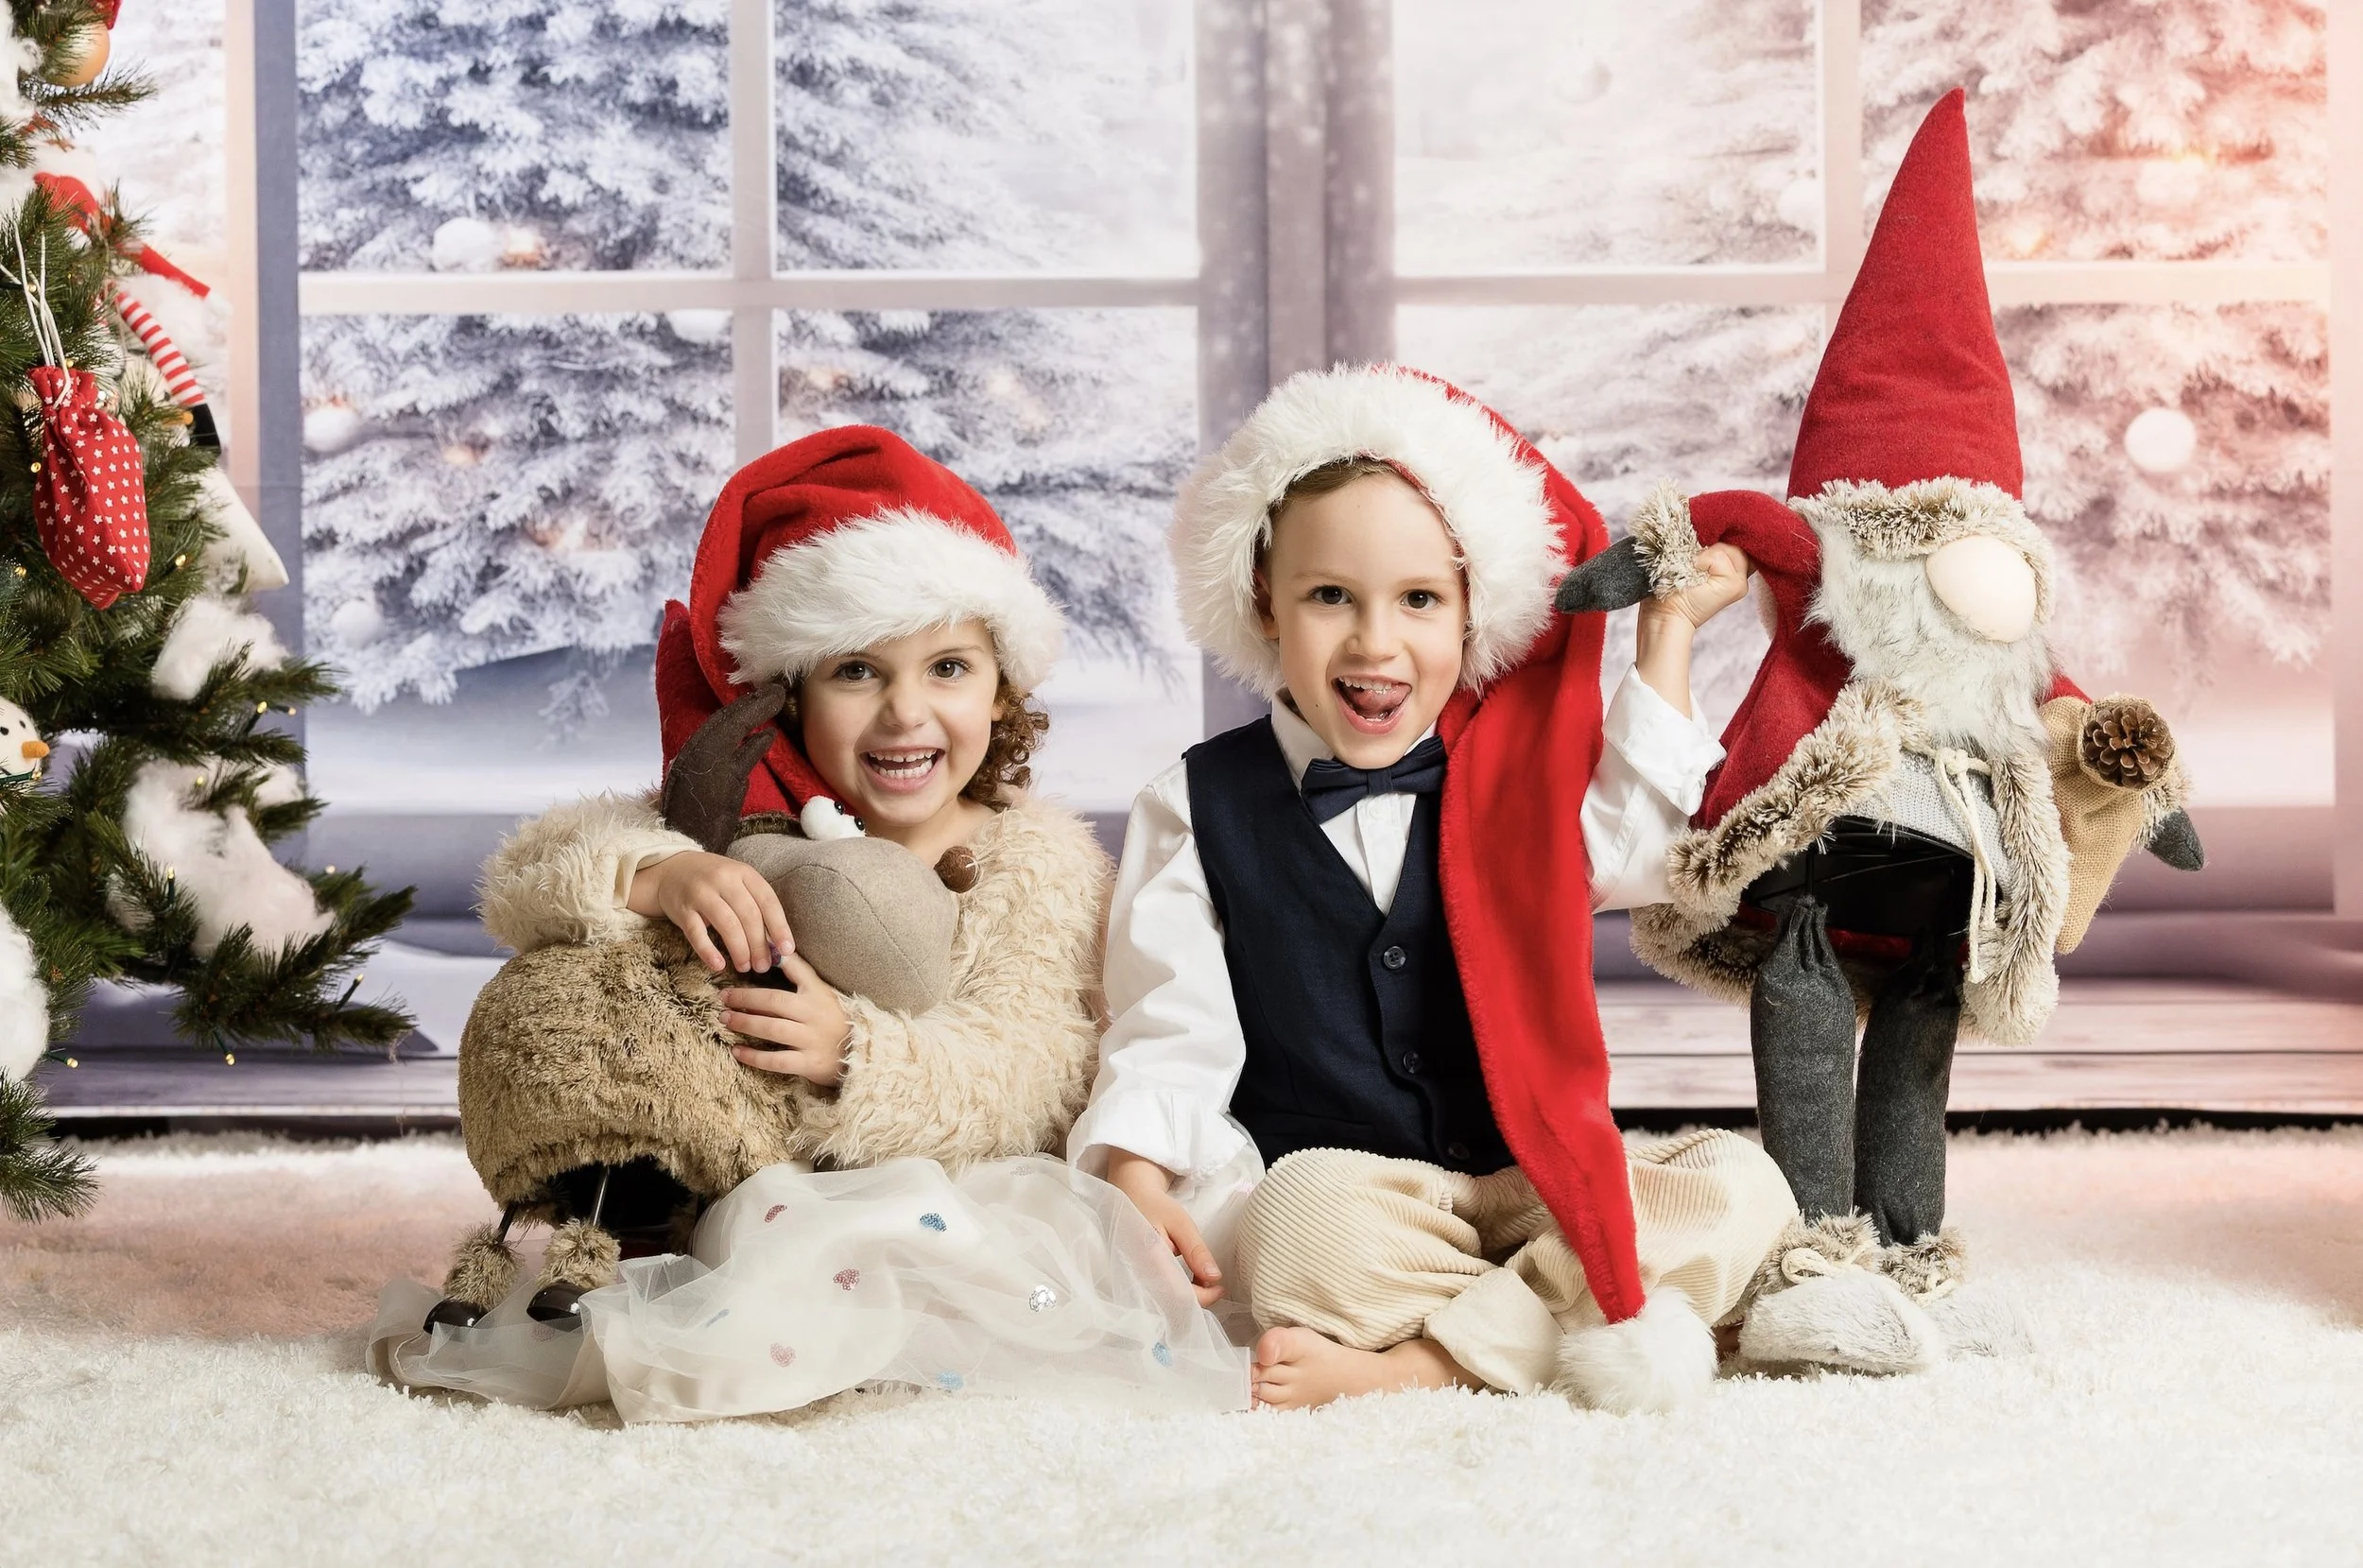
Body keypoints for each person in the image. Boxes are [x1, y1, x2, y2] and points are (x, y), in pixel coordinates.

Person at [1068, 364, 1911, 1414]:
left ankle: (1434, 1358)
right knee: (1292, 1230)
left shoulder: (1510, 778)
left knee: (1743, 1186)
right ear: (1262, 602)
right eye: (1329, 596)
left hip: (1532, 1182)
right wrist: (1136, 1173)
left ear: (1472, 617)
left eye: (1419, 600)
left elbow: (1642, 853)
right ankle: (1593, 1315)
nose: (1375, 642)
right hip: (1359, 1195)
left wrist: (1668, 634)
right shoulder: (1193, 806)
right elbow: (1170, 1023)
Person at [367, 428, 1246, 1420]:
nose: (905, 713)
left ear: (1003, 691)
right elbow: (529, 878)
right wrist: (659, 871)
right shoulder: (745, 824)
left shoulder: (1032, 856)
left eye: (948, 668)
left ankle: (791, 1330)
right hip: (746, 1172)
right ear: (787, 697)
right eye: (858, 672)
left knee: (816, 1238)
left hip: (949, 1184)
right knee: (752, 1219)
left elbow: (1035, 1068)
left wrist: (852, 1053)